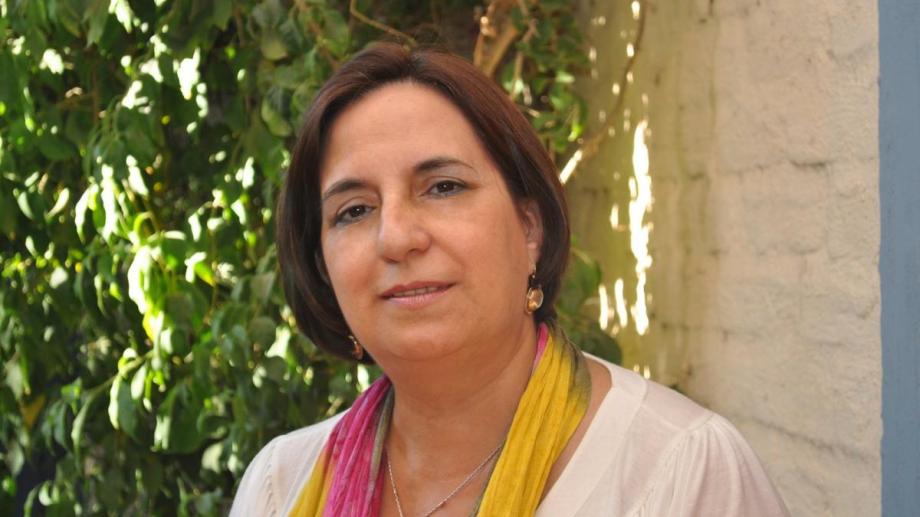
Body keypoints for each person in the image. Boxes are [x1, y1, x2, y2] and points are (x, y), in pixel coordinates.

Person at [230, 42, 789, 517]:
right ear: (323, 268)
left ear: (529, 229)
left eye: (443, 187)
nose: (396, 238)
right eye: (353, 210)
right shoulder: (281, 487)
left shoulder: (678, 470)